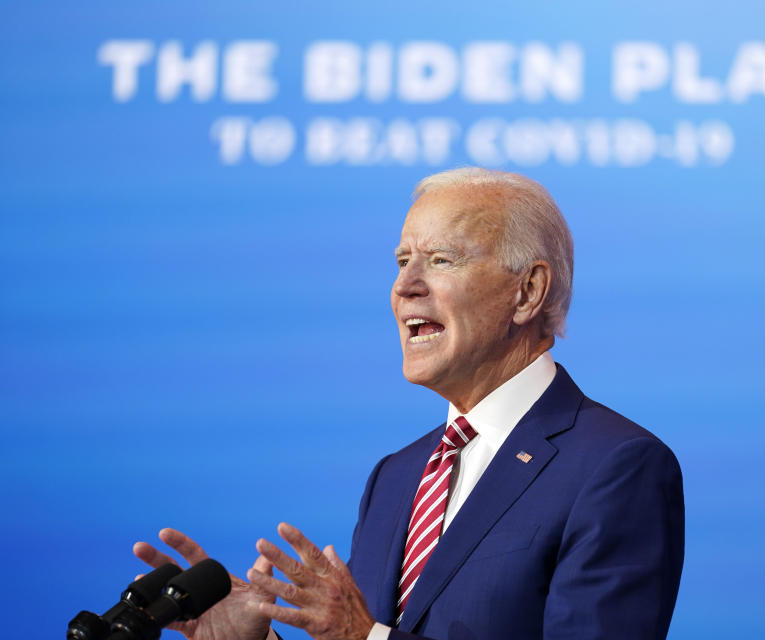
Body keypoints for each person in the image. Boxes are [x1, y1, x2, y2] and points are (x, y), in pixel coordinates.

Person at [134, 168, 684, 640]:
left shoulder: (615, 467)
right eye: (401, 260)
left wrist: (362, 635)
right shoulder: (396, 477)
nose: (405, 286)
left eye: (441, 259)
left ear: (528, 292)